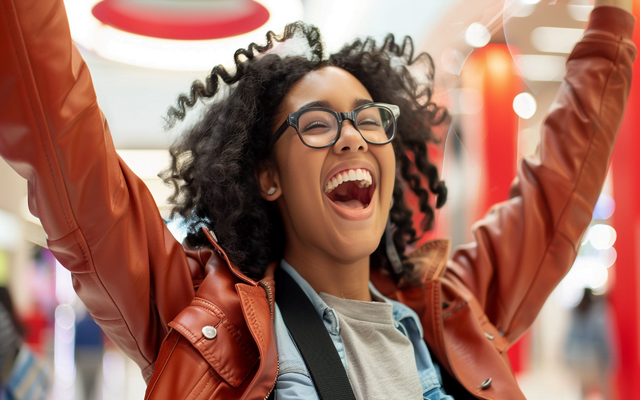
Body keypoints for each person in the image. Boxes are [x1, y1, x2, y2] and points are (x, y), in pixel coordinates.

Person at [0, 0, 635, 398]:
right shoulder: (202, 318)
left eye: (367, 119)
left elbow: (560, 187)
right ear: (268, 178)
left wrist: (614, 19)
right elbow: (62, 137)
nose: (354, 138)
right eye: (318, 124)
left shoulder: (453, 306)